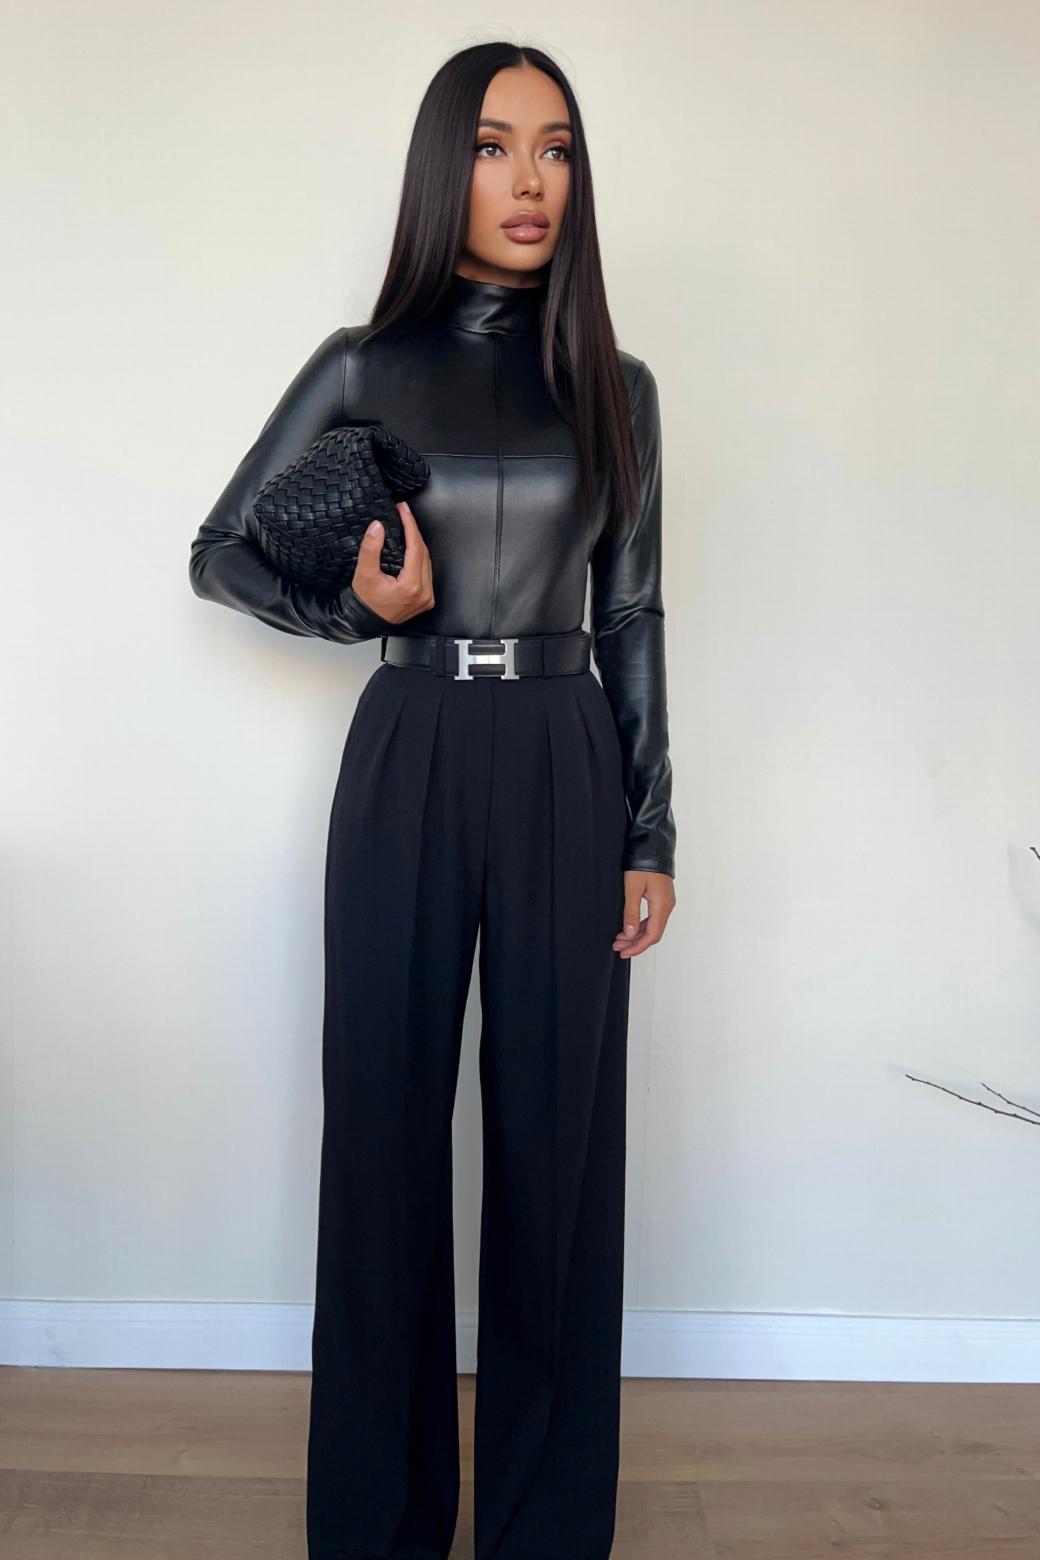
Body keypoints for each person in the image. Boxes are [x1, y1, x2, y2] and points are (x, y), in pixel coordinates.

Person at [188, 38, 676, 1560]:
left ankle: (542, 1527)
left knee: (555, 1151)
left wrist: (652, 827)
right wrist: (357, 610)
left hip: (566, 758)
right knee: (386, 1141)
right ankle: (380, 1525)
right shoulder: (362, 364)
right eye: (492, 146)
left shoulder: (617, 387)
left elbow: (632, 612)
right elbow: (221, 552)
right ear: (440, 168)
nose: (530, 180)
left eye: (556, 149)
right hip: (409, 743)